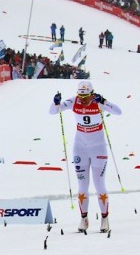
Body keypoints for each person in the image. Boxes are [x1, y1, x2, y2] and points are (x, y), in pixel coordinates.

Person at [49, 81, 122, 232]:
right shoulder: (73, 101)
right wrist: (55, 102)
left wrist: (105, 101)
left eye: (86, 96)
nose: (82, 99)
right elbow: (53, 111)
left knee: (99, 185)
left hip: (98, 149)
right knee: (82, 186)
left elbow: (118, 111)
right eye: (80, 95)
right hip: (80, 148)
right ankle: (83, 219)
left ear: (92, 93)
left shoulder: (97, 102)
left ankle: (104, 218)